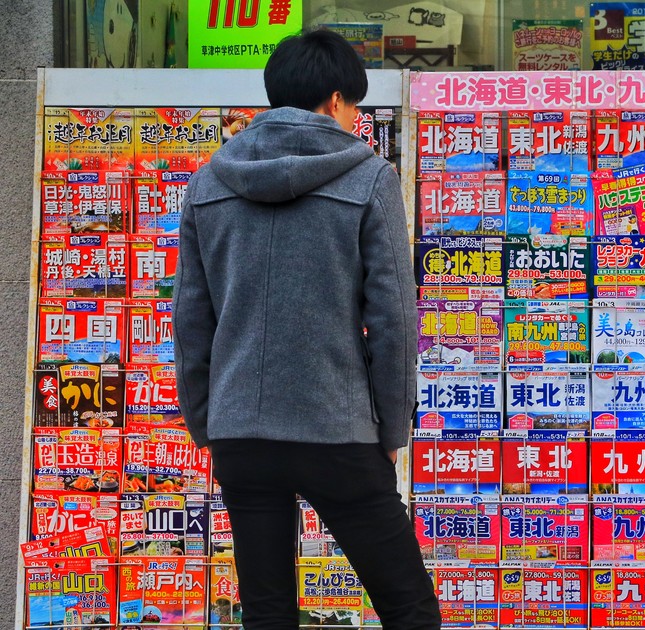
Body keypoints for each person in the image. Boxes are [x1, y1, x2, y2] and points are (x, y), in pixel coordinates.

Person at [173, 29, 440, 630]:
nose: (354, 120)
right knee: (409, 606)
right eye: (355, 108)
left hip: (241, 431)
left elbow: (190, 319)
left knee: (267, 612)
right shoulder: (369, 178)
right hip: (337, 429)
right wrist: (391, 428)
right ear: (336, 100)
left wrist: (207, 422)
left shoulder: (209, 182)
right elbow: (394, 320)